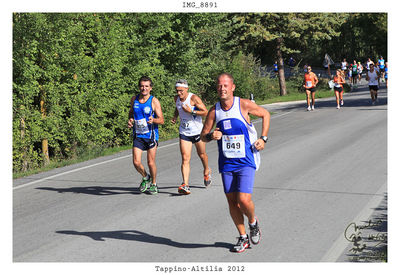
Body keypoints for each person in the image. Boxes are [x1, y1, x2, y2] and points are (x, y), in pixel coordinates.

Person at [200, 73, 270, 253]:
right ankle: (243, 237)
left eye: (225, 85)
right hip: (226, 162)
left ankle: (253, 222)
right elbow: (203, 136)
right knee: (232, 202)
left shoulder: (243, 104)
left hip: (246, 160)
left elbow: (265, 114)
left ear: (233, 87)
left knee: (243, 199)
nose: (222, 88)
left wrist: (263, 138)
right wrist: (210, 136)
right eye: (219, 85)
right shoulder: (214, 111)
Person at [171, 79, 211, 195]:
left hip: (197, 131)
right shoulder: (176, 99)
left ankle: (207, 171)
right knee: (185, 158)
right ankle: (185, 184)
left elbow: (205, 112)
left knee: (202, 155)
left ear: (186, 89)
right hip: (184, 132)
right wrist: (175, 117)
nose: (179, 93)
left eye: (181, 91)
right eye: (177, 91)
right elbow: (178, 108)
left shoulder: (194, 98)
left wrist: (192, 110)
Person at [128, 76, 164, 195]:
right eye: (142, 86)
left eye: (146, 86)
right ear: (139, 87)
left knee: (150, 162)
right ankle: (145, 177)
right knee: (136, 162)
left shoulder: (154, 101)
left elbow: (162, 120)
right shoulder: (134, 99)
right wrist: (130, 120)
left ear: (150, 88)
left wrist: (153, 120)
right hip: (138, 135)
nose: (144, 88)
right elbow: (131, 113)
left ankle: (153, 183)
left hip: (151, 135)